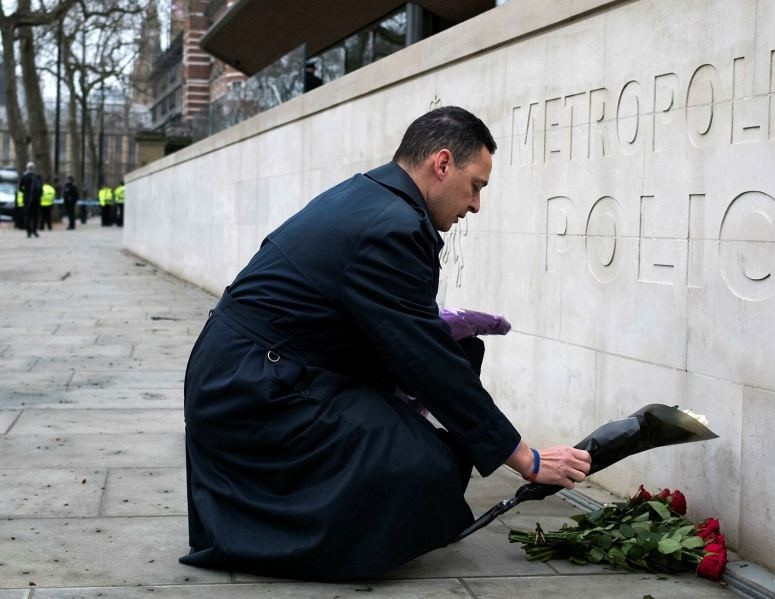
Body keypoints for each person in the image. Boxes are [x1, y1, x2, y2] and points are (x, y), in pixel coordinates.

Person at [181, 106, 591, 581]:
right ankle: (275, 538)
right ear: (441, 165)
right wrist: (524, 458)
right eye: (476, 185)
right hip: (254, 392)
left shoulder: (375, 198)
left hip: (256, 370)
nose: (476, 205)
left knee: (443, 402)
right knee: (426, 467)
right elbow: (426, 360)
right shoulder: (392, 225)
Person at [18, 162, 42, 238]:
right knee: (36, 215)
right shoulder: (37, 177)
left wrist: (25, 192)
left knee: (28, 215)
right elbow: (41, 188)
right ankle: (34, 230)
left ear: (27, 168)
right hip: (36, 199)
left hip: (27, 199)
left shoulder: (24, 177)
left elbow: (20, 188)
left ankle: (28, 231)